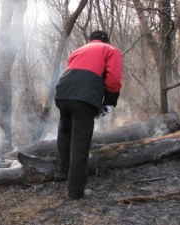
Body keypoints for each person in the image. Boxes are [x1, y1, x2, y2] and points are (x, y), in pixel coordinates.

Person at [54, 30, 123, 200]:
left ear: (90, 40)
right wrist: (110, 101)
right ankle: (75, 192)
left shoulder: (79, 50)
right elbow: (114, 78)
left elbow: (69, 71)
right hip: (84, 98)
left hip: (62, 93)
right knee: (80, 143)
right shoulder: (110, 50)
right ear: (106, 40)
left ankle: (61, 173)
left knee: (65, 133)